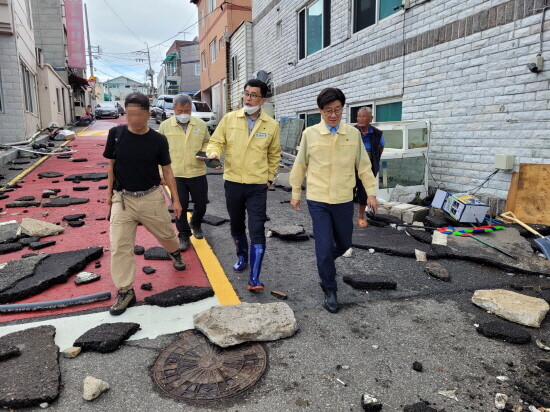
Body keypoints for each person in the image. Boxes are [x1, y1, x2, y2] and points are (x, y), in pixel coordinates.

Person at [289, 88, 378, 313]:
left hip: (343, 199)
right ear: (320, 111)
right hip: (318, 200)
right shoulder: (310, 134)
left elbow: (364, 167)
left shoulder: (352, 134)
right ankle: (330, 288)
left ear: (343, 110)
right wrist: (296, 192)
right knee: (324, 246)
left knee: (345, 243)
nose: (333, 115)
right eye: (328, 110)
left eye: (337, 110)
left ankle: (324, 261)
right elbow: (300, 165)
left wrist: (371, 193)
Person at [103, 92, 186, 316]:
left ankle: (175, 252)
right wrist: (108, 195)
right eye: (129, 114)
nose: (134, 119)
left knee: (167, 235)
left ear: (148, 114)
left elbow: (167, 171)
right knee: (119, 246)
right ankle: (126, 290)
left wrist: (176, 199)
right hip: (123, 200)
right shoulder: (116, 134)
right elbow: (111, 166)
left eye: (139, 115)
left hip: (151, 198)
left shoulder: (158, 139)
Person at [206, 79, 281, 291]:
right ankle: (242, 258)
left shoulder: (271, 125)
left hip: (257, 185)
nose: (248, 98)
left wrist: (269, 178)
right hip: (233, 183)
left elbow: (274, 155)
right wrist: (214, 153)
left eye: (253, 95)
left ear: (263, 99)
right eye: (246, 94)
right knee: (237, 225)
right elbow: (217, 141)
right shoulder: (230, 119)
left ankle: (255, 278)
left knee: (257, 228)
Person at [159, 94, 210, 251]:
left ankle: (196, 223)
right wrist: (160, 173)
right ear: (174, 109)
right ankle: (184, 235)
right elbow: (158, 151)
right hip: (175, 174)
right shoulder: (165, 126)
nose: (183, 114)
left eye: (187, 110)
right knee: (179, 206)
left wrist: (204, 153)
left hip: (197, 172)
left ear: (191, 109)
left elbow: (208, 143)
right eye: (180, 110)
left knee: (201, 203)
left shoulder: (201, 125)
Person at [355, 106, 385, 227]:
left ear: (370, 118)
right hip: (352, 165)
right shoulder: (352, 131)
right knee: (347, 190)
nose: (360, 119)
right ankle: (343, 217)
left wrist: (374, 160)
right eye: (359, 116)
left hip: (368, 165)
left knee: (364, 191)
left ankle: (360, 217)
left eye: (364, 116)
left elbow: (381, 147)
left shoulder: (377, 133)